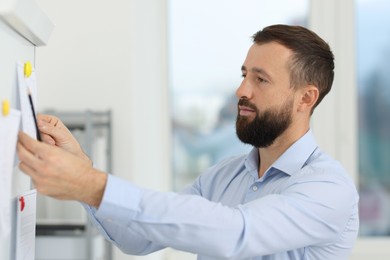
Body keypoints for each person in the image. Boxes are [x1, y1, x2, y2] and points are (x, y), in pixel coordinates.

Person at [17, 24, 359, 259]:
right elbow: (138, 239)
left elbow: (237, 234)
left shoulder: (328, 188)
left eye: (261, 79)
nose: (242, 90)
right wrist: (83, 172)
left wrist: (92, 184)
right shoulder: (222, 177)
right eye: (243, 75)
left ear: (305, 98)